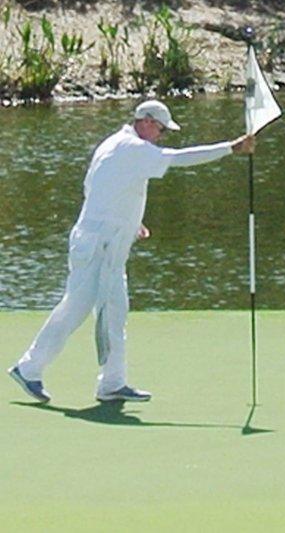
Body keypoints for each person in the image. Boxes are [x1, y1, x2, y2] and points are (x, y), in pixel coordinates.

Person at [8, 100, 255, 403]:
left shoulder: (115, 144)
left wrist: (133, 222)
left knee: (114, 311)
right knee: (76, 308)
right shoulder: (132, 148)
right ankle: (29, 367)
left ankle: (111, 383)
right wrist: (230, 147)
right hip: (99, 243)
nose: (161, 136)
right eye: (161, 129)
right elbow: (178, 159)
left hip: (106, 242)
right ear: (147, 122)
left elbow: (97, 187)